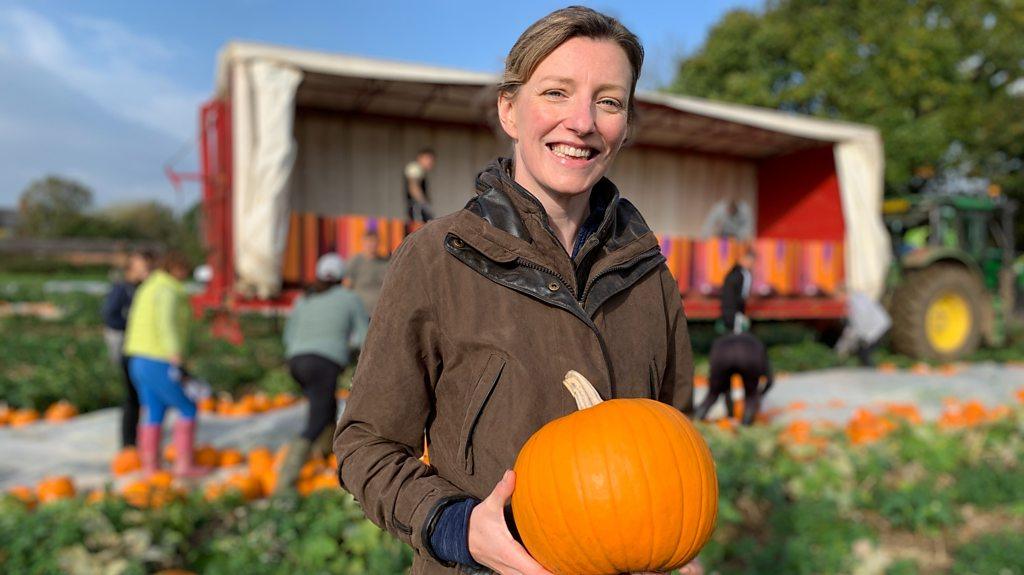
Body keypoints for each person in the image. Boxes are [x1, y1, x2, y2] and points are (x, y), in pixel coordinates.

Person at [335, 7, 700, 575]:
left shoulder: (648, 271)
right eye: (556, 92)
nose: (582, 122)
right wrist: (457, 528)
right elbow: (366, 447)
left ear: (625, 125)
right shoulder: (437, 257)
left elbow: (674, 437)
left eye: (608, 101)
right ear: (509, 109)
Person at [277, 253, 369, 494]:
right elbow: (364, 338)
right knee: (317, 419)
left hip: (296, 362)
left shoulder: (304, 299)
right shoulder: (350, 299)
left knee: (325, 407)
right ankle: (286, 479)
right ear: (342, 278)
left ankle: (327, 460)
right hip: (324, 363)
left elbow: (288, 336)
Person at [123, 251, 207, 477]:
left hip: (138, 358)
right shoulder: (167, 291)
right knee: (188, 407)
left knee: (154, 411)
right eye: (183, 269)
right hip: (158, 358)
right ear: (175, 268)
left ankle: (150, 466)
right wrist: (175, 353)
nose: (186, 274)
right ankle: (184, 464)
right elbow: (166, 324)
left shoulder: (148, 287)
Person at [101, 250, 154, 449]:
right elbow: (110, 316)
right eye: (143, 267)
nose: (147, 270)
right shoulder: (122, 289)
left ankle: (142, 439)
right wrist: (133, 325)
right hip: (127, 348)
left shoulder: (144, 288)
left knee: (143, 396)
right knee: (132, 395)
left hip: (142, 347)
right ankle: (129, 443)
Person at [694, 332, 774, 426]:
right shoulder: (755, 343)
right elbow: (769, 380)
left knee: (713, 395)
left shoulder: (720, 342)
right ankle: (746, 426)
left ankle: (695, 423)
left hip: (722, 355)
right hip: (749, 355)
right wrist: (759, 396)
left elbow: (717, 385)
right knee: (751, 395)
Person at [835, 289, 891, 367]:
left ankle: (871, 373)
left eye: (837, 297)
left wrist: (841, 350)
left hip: (878, 329)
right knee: (861, 352)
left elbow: (853, 330)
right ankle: (867, 371)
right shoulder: (856, 298)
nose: (837, 300)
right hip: (879, 327)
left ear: (843, 294)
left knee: (864, 354)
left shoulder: (853, 305)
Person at [343, 230, 390, 316]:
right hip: (361, 312)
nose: (371, 245)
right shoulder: (355, 261)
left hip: (380, 313)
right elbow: (347, 287)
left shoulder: (386, 262)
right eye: (368, 241)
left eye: (374, 241)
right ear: (363, 243)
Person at [720, 249, 755, 334]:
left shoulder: (733, 272)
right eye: (750, 261)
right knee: (737, 334)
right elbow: (742, 295)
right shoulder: (743, 274)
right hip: (735, 310)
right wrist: (740, 313)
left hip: (728, 309)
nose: (751, 264)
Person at [405, 148, 437, 222]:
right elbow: (413, 187)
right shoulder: (415, 168)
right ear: (420, 157)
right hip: (417, 207)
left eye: (432, 160)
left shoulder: (420, 171)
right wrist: (424, 203)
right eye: (427, 159)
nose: (430, 162)